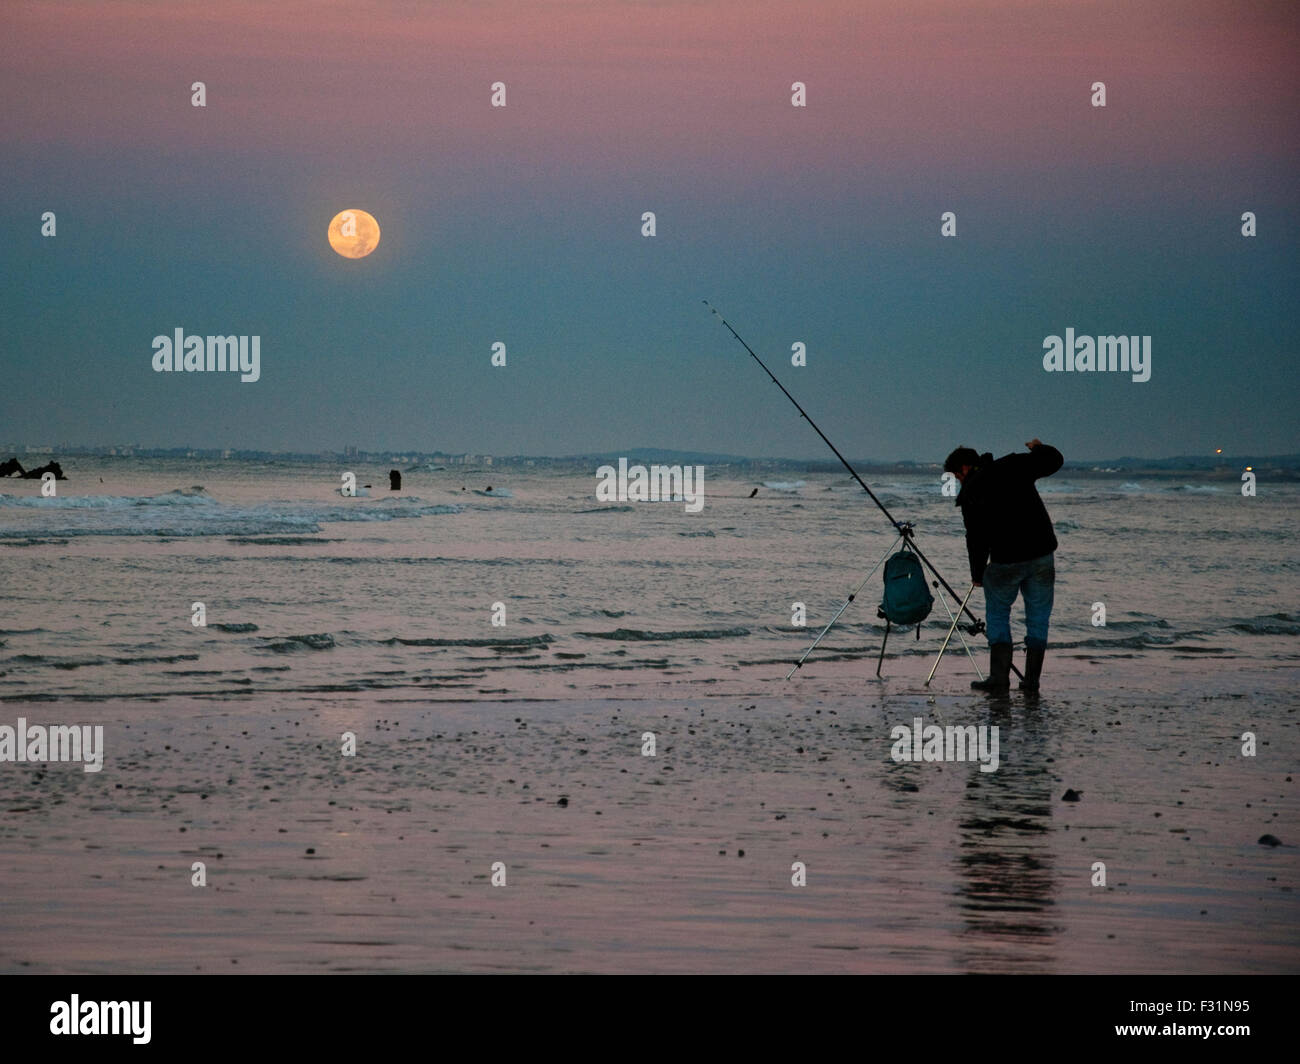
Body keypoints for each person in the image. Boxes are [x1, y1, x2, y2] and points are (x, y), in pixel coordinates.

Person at [944, 438, 1063, 694]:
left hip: (1005, 561)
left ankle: (999, 679)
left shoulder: (971, 491)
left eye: (956, 475)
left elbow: (975, 539)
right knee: (1039, 619)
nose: (957, 480)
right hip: (1041, 554)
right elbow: (1055, 462)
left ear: (964, 468)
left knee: (998, 616)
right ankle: (1031, 682)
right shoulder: (1013, 465)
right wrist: (1039, 448)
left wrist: (977, 574)